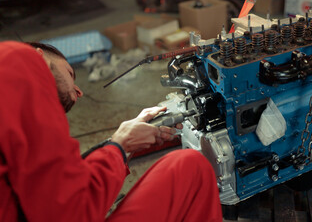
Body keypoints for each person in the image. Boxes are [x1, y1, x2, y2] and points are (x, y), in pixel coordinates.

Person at [0, 41, 222, 222]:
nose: (79, 92)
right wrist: (118, 147)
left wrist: (119, 146)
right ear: (41, 58)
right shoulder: (18, 62)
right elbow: (74, 211)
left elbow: (53, 185)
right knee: (191, 167)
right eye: (70, 73)